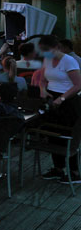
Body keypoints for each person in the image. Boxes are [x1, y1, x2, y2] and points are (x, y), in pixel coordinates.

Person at [34, 34, 81, 182]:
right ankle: (58, 168)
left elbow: (78, 85)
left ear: (56, 47)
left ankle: (75, 172)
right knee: (53, 135)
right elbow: (42, 79)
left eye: (46, 49)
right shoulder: (47, 60)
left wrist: (62, 98)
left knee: (68, 136)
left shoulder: (69, 61)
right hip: (52, 98)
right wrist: (42, 89)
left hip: (68, 101)